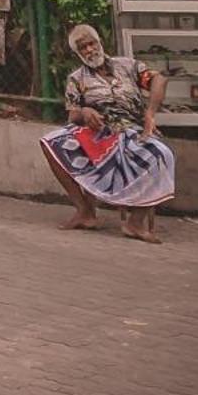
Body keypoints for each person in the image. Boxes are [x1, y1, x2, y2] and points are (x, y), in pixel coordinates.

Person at [40, 23, 174, 243]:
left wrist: (150, 114)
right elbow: (72, 115)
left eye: (92, 43)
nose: (90, 50)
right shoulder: (77, 78)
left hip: (132, 130)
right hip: (100, 134)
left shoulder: (128, 66)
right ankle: (84, 211)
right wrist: (85, 111)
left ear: (100, 42)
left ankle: (135, 222)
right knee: (50, 141)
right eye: (83, 48)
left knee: (163, 154)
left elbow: (159, 80)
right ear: (77, 53)